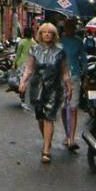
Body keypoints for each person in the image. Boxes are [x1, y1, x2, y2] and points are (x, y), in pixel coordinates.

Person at [18, 21, 71, 164]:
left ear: (54, 35)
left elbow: (64, 71)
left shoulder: (60, 51)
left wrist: (68, 86)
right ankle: (46, 139)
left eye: (50, 32)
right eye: (44, 32)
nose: (47, 34)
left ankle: (46, 149)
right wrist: (23, 82)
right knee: (40, 118)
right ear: (40, 34)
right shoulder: (34, 50)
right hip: (37, 88)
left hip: (54, 88)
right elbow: (29, 68)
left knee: (49, 117)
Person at [59, 18, 86, 152]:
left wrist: (85, 75)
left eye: (72, 26)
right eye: (67, 26)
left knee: (73, 108)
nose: (70, 28)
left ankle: (72, 138)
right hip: (60, 79)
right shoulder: (59, 41)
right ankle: (67, 134)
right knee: (64, 108)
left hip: (74, 77)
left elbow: (84, 60)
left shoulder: (79, 42)